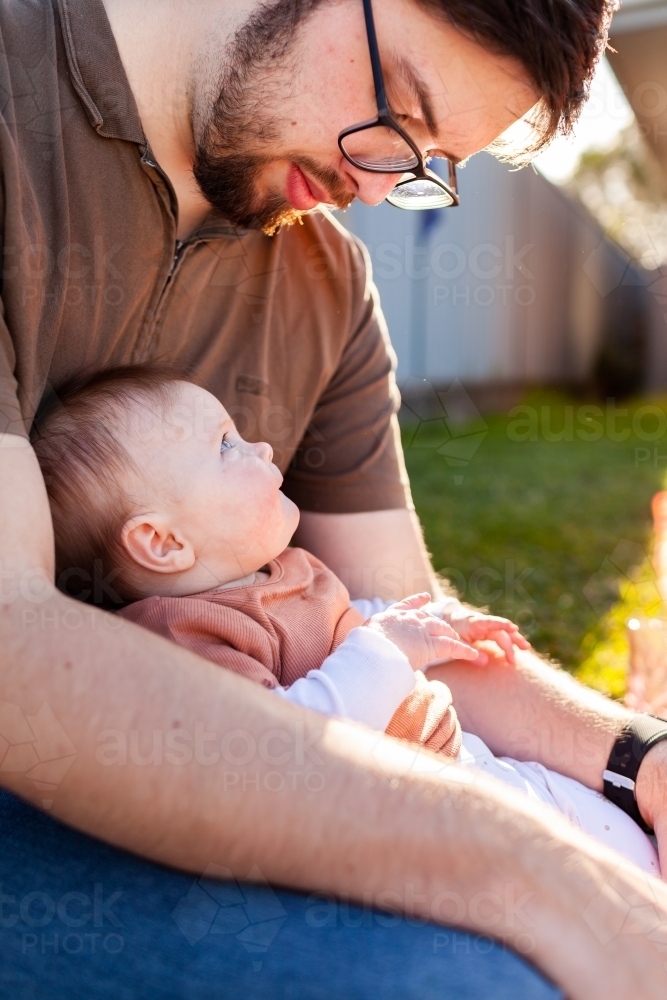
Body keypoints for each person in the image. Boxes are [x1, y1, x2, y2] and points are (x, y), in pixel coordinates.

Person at [2, 0, 667, 997]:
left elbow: (412, 624)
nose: (373, 182)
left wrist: (636, 759)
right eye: (398, 105)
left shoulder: (323, 280)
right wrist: (531, 869)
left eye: (428, 159)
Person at [30, 365, 662, 875]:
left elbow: (352, 621)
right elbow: (282, 746)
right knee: (606, 880)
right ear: (164, 544)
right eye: (226, 446)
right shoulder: (187, 637)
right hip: (420, 825)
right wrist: (390, 650)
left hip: (472, 767)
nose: (263, 445)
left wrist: (429, 622)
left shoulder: (289, 570)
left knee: (624, 836)